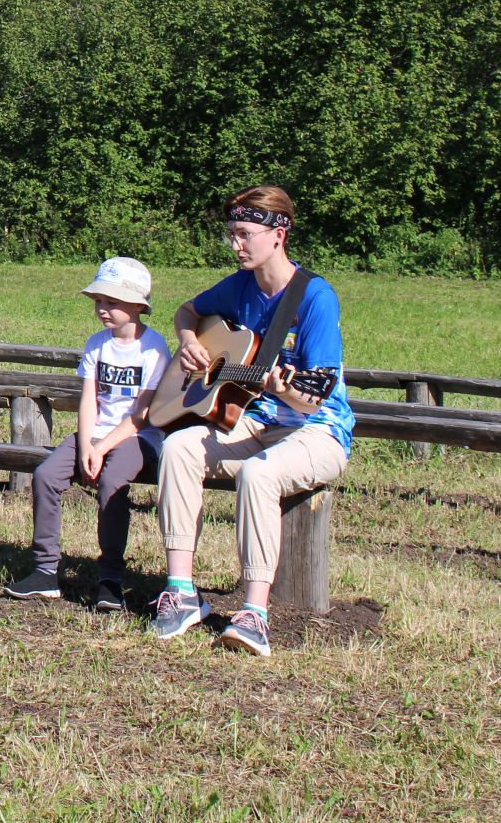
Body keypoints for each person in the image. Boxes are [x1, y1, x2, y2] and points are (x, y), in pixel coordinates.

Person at [151, 186, 354, 657]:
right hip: (255, 418)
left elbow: (310, 401)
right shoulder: (239, 286)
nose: (236, 245)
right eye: (231, 235)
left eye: (244, 234)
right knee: (179, 447)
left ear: (278, 234)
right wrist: (187, 342)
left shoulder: (316, 298)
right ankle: (180, 592)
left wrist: (283, 386)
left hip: (317, 430)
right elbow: (189, 310)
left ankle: (253, 614)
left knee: (261, 472)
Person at [4, 257, 171, 610]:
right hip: (95, 434)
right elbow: (89, 403)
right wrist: (84, 447)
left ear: (138, 306)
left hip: (139, 437)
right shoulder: (97, 344)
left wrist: (101, 448)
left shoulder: (153, 349)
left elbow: (143, 414)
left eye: (112, 302)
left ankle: (110, 578)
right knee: (46, 475)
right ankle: (45, 570)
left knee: (112, 483)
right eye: (98, 301)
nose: (102, 309)